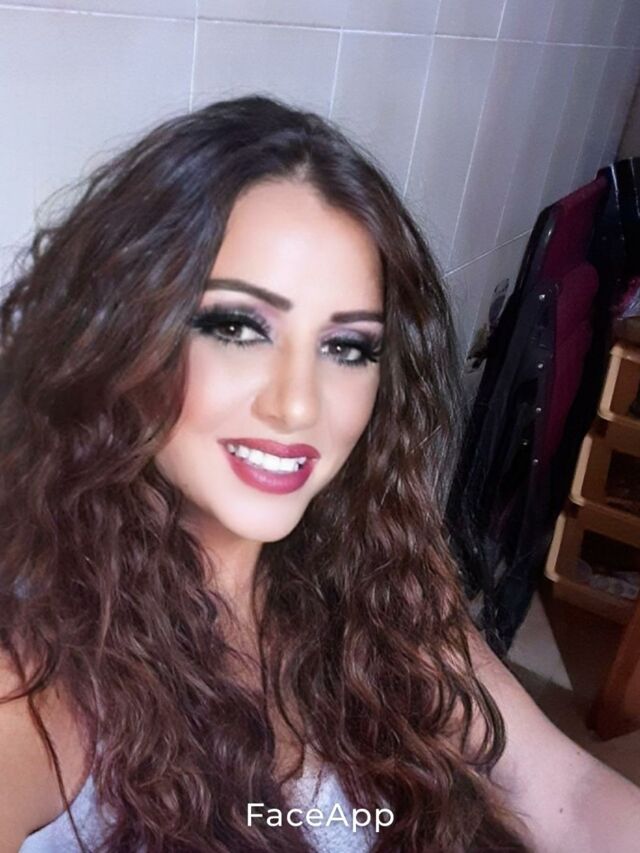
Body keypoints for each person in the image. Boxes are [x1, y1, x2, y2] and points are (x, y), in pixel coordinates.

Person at [0, 95, 638, 853]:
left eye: (346, 347)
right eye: (237, 327)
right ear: (120, 336)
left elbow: (564, 792)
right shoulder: (40, 677)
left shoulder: (376, 585)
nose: (298, 404)